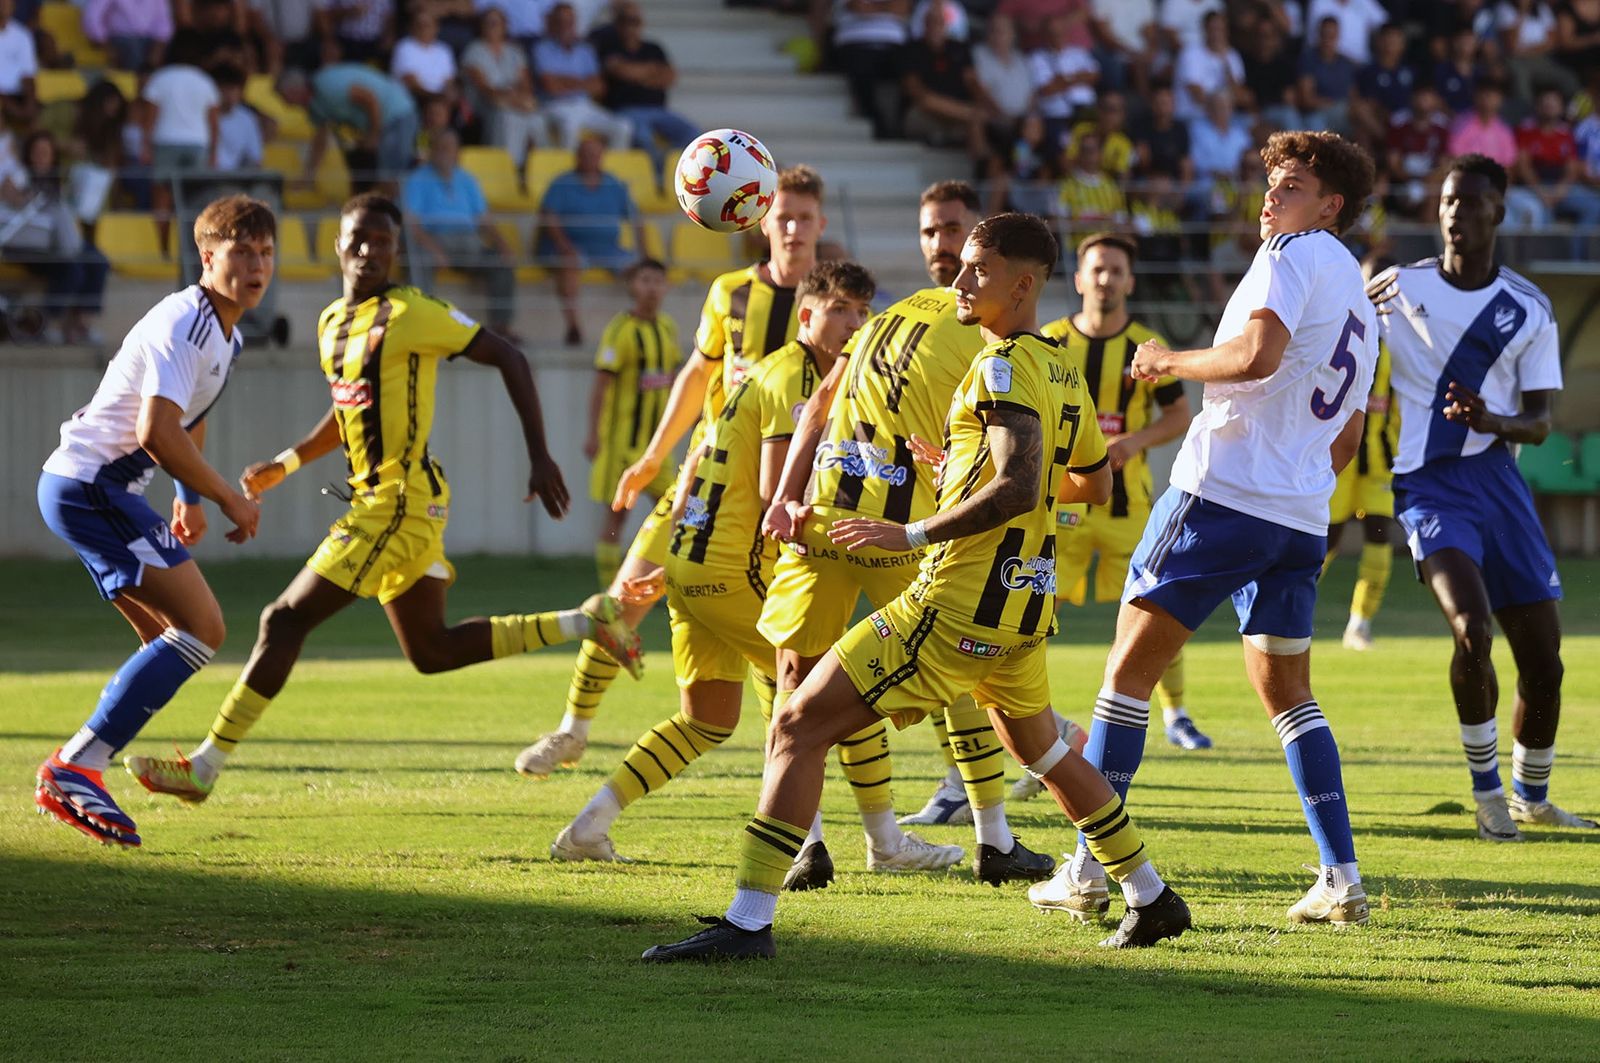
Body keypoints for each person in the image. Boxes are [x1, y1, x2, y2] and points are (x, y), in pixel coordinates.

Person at [641, 212, 1192, 962]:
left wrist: (912, 532)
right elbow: (1089, 483)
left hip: (957, 600)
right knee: (1044, 750)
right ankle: (1151, 896)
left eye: (979, 269)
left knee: (797, 723)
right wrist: (963, 473)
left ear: (1023, 285)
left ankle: (746, 923)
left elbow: (1017, 483)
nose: (960, 280)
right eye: (962, 265)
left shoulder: (1000, 367)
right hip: (1023, 598)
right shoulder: (1062, 367)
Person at [122, 192, 644, 804]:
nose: (370, 250)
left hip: (397, 501)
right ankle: (589, 621)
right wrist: (287, 463)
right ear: (338, 245)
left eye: (384, 242)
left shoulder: (411, 312)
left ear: (398, 251)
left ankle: (205, 768)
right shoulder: (330, 323)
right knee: (431, 650)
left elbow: (508, 355)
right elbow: (346, 409)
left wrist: (540, 455)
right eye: (359, 239)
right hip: (396, 503)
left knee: (283, 620)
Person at [1046, 131, 1379, 929]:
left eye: (1292, 185)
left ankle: (1089, 868)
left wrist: (1167, 361)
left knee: (1126, 675)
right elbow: (1348, 440)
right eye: (1272, 182)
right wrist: (1295, 485)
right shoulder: (1363, 302)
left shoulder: (1292, 252)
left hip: (1221, 497)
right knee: (1290, 694)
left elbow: (1257, 355)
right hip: (1299, 519)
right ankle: (1340, 877)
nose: (1272, 197)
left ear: (1330, 206)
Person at [554, 261, 964, 877]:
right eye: (841, 310)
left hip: (695, 563)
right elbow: (777, 492)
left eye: (862, 311)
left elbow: (700, 455)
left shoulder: (764, 372)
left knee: (707, 720)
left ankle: (589, 825)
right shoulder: (795, 378)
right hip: (734, 567)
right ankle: (877, 844)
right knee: (840, 688)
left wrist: (678, 558)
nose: (855, 324)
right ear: (806, 315)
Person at [762, 181, 1049, 882]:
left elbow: (825, 403)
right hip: (877, 527)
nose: (941, 246)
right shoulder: (953, 326)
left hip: (855, 518)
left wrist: (789, 494)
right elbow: (821, 402)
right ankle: (826, 846)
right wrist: (786, 494)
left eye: (953, 231)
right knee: (948, 672)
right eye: (930, 232)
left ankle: (972, 837)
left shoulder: (916, 320)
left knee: (814, 682)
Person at [514, 165, 822, 780]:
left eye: (804, 218)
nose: (792, 229)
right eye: (783, 216)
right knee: (619, 601)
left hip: (779, 500)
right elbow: (698, 374)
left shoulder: (832, 305)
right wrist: (654, 455)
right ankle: (573, 730)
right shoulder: (730, 291)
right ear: (761, 219)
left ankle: (801, 789)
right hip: (702, 483)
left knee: (781, 650)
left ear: (821, 223)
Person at [1365, 153, 1595, 839]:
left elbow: (1541, 420)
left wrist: (1493, 421)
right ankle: (1487, 792)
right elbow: (1336, 340)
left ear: (1500, 210)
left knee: (1545, 662)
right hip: (1428, 484)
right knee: (1471, 628)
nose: (1454, 213)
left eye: (1469, 201)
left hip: (1499, 482)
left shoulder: (1528, 308)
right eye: (1446, 201)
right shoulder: (1395, 290)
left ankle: (1533, 795)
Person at [33, 195, 273, 846]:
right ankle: (75, 766)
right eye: (241, 251)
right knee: (204, 627)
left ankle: (82, 766)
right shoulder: (187, 322)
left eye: (265, 252)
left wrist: (188, 498)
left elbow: (187, 420)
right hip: (92, 487)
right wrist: (226, 497)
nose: (256, 266)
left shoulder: (227, 334)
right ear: (207, 256)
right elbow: (157, 430)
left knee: (168, 639)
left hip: (89, 488)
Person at [1037, 233, 1204, 756]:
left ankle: (1176, 714)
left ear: (1130, 282)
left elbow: (1179, 414)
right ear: (1079, 279)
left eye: (1115, 270)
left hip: (1128, 505)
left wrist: (1134, 441)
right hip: (1063, 504)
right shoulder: (1049, 341)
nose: (1105, 279)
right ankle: (1036, 716)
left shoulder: (1147, 347)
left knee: (1157, 610)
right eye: (1096, 269)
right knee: (1033, 612)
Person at [1320, 253, 1400, 654]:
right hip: (1338, 460)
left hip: (1381, 462)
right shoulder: (1336, 333)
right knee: (1325, 541)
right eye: (1373, 284)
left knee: (1380, 539)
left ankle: (1359, 624)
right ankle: (1286, 609)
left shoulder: (1406, 344)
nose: (1380, 294)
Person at [585, 257, 681, 586]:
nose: (652, 288)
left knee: (675, 513)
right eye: (645, 281)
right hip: (622, 445)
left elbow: (676, 378)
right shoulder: (620, 330)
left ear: (666, 287)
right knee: (617, 517)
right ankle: (610, 590)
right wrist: (593, 434)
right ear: (633, 286)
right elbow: (601, 384)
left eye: (657, 281)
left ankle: (665, 584)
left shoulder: (666, 327)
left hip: (658, 446)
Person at [402, 129, 517, 337]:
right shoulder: (417, 179)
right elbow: (412, 224)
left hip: (471, 244)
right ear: (431, 151)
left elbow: (484, 220)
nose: (444, 152)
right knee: (419, 258)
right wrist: (434, 249)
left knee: (501, 262)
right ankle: (423, 324)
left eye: (449, 148)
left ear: (457, 152)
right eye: (439, 147)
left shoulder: (468, 180)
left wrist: (503, 245)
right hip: (436, 241)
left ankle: (502, 328)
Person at [0, 130, 111, 345]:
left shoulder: (58, 180)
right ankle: (47, 324)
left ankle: (82, 324)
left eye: (46, 153)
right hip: (30, 244)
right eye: (37, 152)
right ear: (28, 155)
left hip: (58, 241)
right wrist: (21, 196)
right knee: (72, 269)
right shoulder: (18, 176)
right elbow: (10, 198)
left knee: (98, 261)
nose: (41, 158)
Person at [535, 136, 644, 347]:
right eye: (585, 154)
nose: (590, 158)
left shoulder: (613, 183)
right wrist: (565, 246)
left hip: (607, 249)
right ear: (577, 156)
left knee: (642, 270)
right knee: (569, 262)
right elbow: (548, 218)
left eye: (594, 154)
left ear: (602, 157)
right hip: (569, 246)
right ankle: (573, 327)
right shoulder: (562, 183)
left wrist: (644, 253)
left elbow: (636, 219)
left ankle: (639, 326)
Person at [280, 61, 419, 190]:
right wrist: (309, 176)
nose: (286, 104)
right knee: (376, 176)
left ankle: (399, 206)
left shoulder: (328, 85)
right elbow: (320, 141)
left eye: (285, 97)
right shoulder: (314, 106)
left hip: (397, 114)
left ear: (295, 90)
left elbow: (370, 99)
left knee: (390, 176)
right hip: (382, 123)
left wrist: (373, 135)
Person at [594, 3, 698, 174]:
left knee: (694, 135)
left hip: (658, 109)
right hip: (626, 109)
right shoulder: (609, 46)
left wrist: (634, 73)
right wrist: (651, 72)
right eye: (625, 21)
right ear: (617, 24)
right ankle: (658, 177)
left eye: (635, 21)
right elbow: (620, 70)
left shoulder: (653, 48)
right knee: (643, 138)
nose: (630, 26)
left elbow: (669, 76)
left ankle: (667, 164)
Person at [533, 2, 632, 150]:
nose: (565, 26)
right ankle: (569, 166)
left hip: (584, 105)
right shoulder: (542, 48)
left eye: (569, 21)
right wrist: (584, 83)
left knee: (623, 127)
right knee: (569, 126)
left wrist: (564, 80)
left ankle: (608, 166)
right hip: (555, 105)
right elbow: (551, 87)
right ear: (552, 23)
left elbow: (599, 87)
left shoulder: (585, 50)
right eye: (561, 21)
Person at [461, 6, 549, 168]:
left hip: (513, 101)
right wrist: (513, 101)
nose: (492, 27)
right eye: (488, 23)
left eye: (496, 23)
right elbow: (484, 88)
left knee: (537, 118)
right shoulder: (474, 50)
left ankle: (538, 168)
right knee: (507, 117)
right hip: (485, 104)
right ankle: (509, 166)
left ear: (505, 26)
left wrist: (519, 100)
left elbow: (526, 84)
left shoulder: (515, 51)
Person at [83, 0, 174, 70]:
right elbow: (93, 18)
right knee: (133, 48)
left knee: (173, 49)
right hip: (119, 39)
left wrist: (158, 50)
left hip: (149, 41)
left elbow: (164, 24)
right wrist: (107, 47)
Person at [212, 63, 265, 172]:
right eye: (224, 89)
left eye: (233, 89)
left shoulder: (247, 118)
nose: (229, 94)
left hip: (235, 177)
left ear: (240, 92)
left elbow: (255, 158)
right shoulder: (201, 115)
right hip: (205, 176)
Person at [0, 0, 40, 128]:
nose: (4, 6)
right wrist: (6, 102)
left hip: (17, 96)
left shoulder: (22, 35)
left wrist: (30, 104)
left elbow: (28, 74)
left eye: (8, 3)